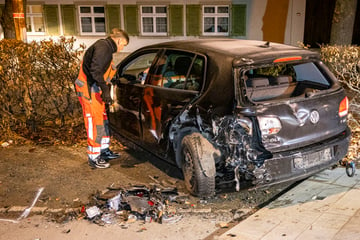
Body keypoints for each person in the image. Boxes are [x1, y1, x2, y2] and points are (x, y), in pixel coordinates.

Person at [75, 28, 129, 169]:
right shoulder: (103, 48)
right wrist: (104, 89)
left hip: (95, 90)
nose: (122, 48)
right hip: (88, 90)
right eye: (123, 45)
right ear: (118, 40)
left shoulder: (106, 49)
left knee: (103, 120)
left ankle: (103, 150)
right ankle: (94, 157)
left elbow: (106, 72)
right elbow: (95, 70)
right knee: (94, 122)